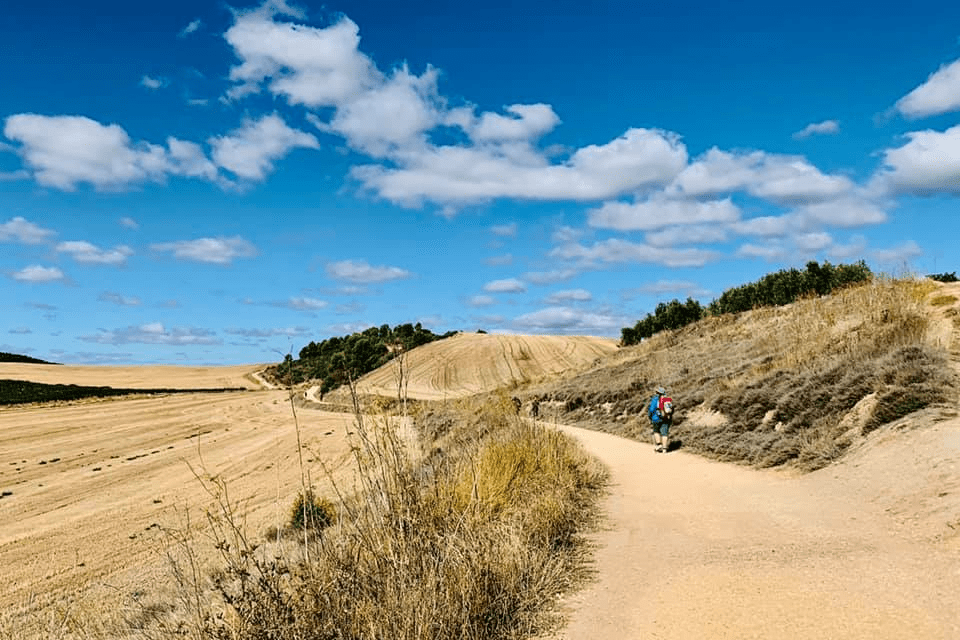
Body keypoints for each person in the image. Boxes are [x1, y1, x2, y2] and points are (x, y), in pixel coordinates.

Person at [648, 386, 672, 453]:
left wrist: (650, 417)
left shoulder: (655, 399)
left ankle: (659, 445)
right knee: (664, 433)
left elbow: (651, 409)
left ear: (657, 393)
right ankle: (665, 449)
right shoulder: (667, 399)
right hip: (665, 418)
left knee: (656, 431)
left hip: (656, 418)